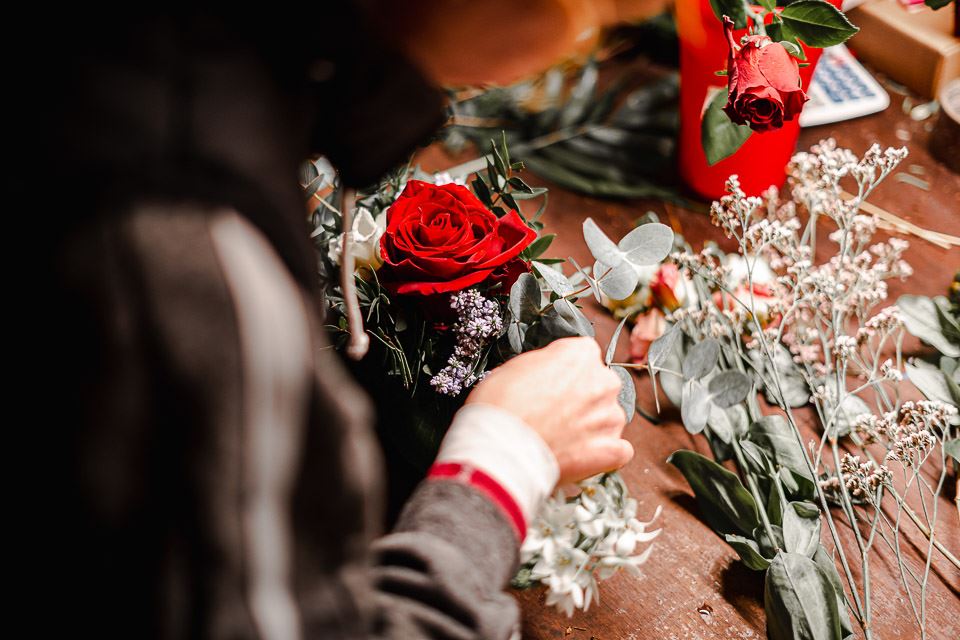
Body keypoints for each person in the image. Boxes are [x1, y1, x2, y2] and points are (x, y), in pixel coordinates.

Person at [33, 3, 665, 638]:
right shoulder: (198, 268)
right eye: (601, 15)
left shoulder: (147, 66)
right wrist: (504, 460)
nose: (584, 44)